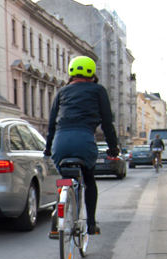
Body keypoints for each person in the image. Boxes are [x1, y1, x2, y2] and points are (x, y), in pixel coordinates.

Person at [45, 55, 119, 236]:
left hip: (60, 143)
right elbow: (107, 123)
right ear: (92, 73)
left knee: (64, 180)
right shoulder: (98, 90)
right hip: (84, 141)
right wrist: (113, 148)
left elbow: (52, 123)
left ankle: (57, 218)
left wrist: (48, 148)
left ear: (71, 73)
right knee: (89, 180)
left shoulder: (61, 92)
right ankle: (92, 225)